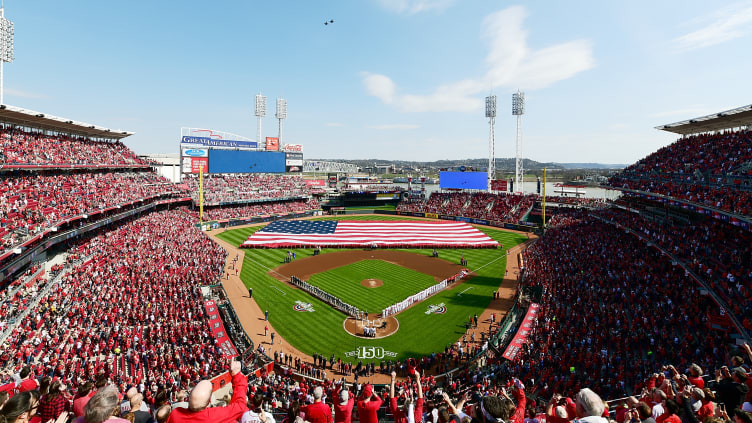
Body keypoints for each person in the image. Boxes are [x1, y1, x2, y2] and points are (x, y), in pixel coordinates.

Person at [167, 359, 248, 423]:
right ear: (209, 401)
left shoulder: (175, 414)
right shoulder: (213, 416)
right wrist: (236, 375)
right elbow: (240, 406)